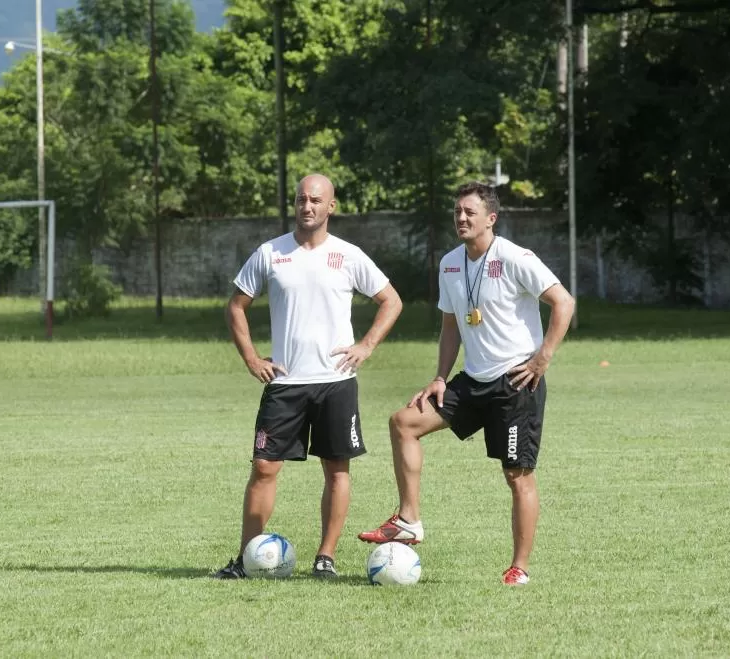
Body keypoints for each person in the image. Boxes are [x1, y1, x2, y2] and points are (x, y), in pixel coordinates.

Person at [357, 181, 575, 586]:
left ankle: (519, 568)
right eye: (457, 212)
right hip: (472, 381)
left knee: (517, 475)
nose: (460, 218)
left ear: (490, 219)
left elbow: (564, 302)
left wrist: (542, 358)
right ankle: (408, 520)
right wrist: (440, 376)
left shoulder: (514, 257)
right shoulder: (450, 263)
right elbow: (451, 325)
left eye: (469, 213)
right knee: (403, 422)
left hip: (515, 382)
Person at [212, 173, 403, 579]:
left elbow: (391, 301)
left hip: (335, 382)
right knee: (264, 467)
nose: (307, 206)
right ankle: (248, 559)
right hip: (284, 383)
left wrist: (365, 346)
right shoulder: (270, 253)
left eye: (316, 200)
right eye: (301, 199)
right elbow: (236, 306)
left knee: (336, 469)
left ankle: (326, 558)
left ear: (331, 206)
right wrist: (250, 357)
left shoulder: (348, 255)